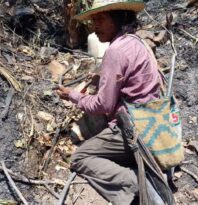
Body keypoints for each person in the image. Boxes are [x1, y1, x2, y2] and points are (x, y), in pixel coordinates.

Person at [56, 1, 165, 204]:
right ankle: (141, 167)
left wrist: (73, 95)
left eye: (101, 19)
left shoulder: (115, 51)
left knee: (81, 157)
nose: (95, 25)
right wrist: (101, 80)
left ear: (119, 17)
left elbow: (103, 105)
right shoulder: (136, 42)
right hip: (154, 122)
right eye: (93, 20)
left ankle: (135, 183)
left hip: (135, 128)